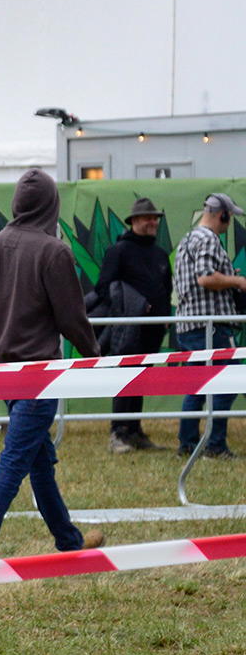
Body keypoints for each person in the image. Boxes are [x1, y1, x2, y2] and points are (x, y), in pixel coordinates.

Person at [0, 170, 105, 561]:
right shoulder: (54, 251)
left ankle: (68, 543)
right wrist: (96, 357)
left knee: (39, 461)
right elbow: (72, 318)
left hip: (4, 377)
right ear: (51, 206)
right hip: (40, 378)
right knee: (14, 463)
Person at [93, 196, 172, 453]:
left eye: (155, 218)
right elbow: (104, 287)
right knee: (124, 378)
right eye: (149, 218)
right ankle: (118, 433)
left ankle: (135, 431)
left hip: (154, 329)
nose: (153, 222)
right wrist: (133, 306)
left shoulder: (160, 254)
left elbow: (166, 289)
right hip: (127, 330)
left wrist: (164, 318)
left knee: (141, 378)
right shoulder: (119, 251)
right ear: (135, 220)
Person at [173, 191, 246, 459]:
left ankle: (189, 442)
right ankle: (214, 445)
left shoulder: (188, 239)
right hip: (210, 325)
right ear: (221, 215)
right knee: (228, 381)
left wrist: (226, 278)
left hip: (192, 323)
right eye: (229, 218)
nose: (229, 224)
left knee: (198, 384)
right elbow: (205, 278)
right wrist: (237, 282)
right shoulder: (208, 239)